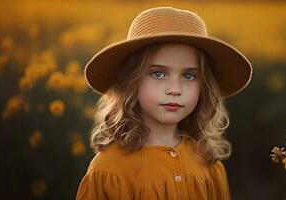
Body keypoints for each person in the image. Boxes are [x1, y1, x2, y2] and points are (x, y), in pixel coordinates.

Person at [76, 6, 252, 200]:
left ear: (204, 86)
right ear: (131, 81)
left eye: (189, 75)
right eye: (158, 73)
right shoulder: (108, 170)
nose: (175, 89)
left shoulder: (208, 163)